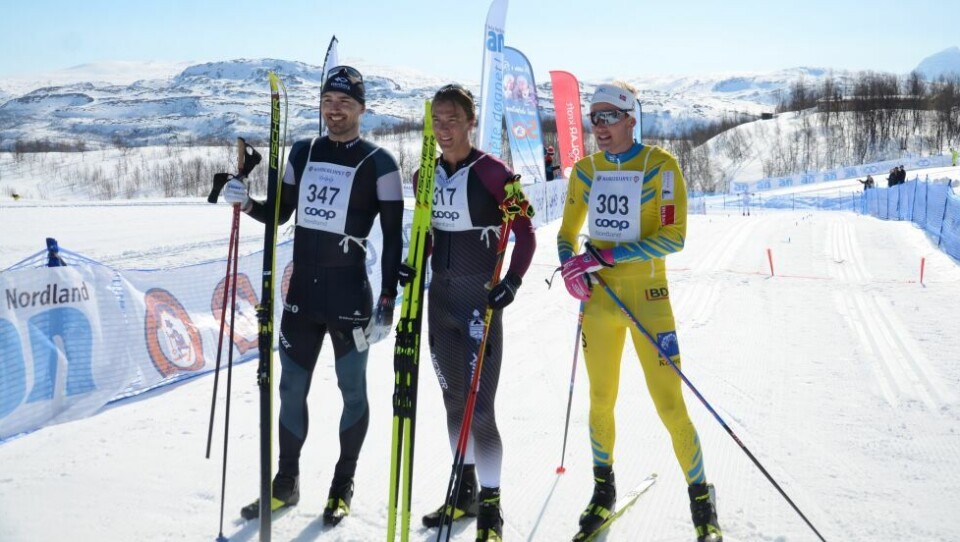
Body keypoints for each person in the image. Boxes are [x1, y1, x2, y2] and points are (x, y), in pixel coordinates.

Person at [223, 65, 404, 526]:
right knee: (289, 388)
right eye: (328, 101)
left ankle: (341, 485)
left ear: (361, 109)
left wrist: (388, 298)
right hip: (303, 293)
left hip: (350, 296)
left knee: (353, 392)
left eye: (345, 102)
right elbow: (280, 214)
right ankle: (285, 483)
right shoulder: (302, 153)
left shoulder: (381, 162)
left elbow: (393, 236)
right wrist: (246, 201)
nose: (335, 109)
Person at [556, 82, 722, 542]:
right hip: (600, 304)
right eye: (594, 117)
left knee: (669, 403)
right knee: (601, 400)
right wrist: (571, 267)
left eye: (610, 116)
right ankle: (602, 491)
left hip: (648, 300)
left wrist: (607, 257)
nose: (600, 126)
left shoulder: (661, 167)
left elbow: (674, 238)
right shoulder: (585, 171)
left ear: (632, 118)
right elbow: (567, 234)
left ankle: (701, 503)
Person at [404, 83, 536, 542]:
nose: (443, 129)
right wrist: (411, 262)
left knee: (480, 412)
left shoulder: (496, 173)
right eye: (436, 120)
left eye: (452, 119)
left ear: (470, 121)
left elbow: (527, 233)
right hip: (439, 305)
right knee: (452, 402)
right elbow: (424, 233)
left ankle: (492, 510)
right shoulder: (425, 174)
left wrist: (512, 282)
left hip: (479, 304)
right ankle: (463, 493)